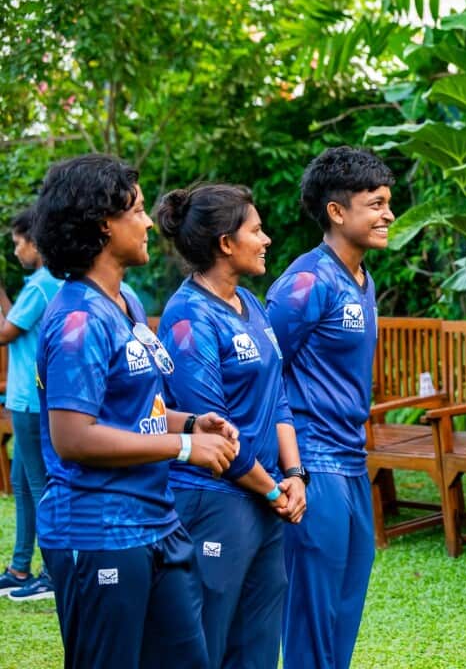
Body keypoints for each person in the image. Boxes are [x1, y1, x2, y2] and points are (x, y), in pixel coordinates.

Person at [31, 153, 240, 668]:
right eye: (138, 211)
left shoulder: (123, 301)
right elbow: (74, 437)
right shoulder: (78, 318)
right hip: (98, 532)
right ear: (104, 222)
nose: (148, 223)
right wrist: (186, 446)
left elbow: (135, 411)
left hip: (156, 523)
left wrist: (190, 422)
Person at [155, 183, 308, 668]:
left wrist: (296, 474)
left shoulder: (252, 303)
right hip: (216, 500)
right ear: (225, 243)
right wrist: (272, 491)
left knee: (259, 642)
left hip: (266, 498)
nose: (266, 240)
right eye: (256, 230)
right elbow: (214, 435)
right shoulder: (188, 316)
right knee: (208, 637)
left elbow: (277, 396)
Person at [266, 146, 393, 669]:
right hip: (313, 462)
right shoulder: (305, 282)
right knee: (311, 616)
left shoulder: (362, 280)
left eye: (389, 203)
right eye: (376, 204)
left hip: (351, 459)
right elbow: (262, 374)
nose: (388, 215)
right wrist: (287, 465)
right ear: (337, 212)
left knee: (344, 608)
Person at [0, 207, 62, 602]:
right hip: (27, 397)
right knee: (23, 484)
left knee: (39, 486)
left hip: (28, 400)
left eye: (19, 244)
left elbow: (5, 331)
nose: (17, 252)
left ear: (36, 242)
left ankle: (52, 573)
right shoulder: (44, 281)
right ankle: (20, 567)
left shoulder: (42, 283)